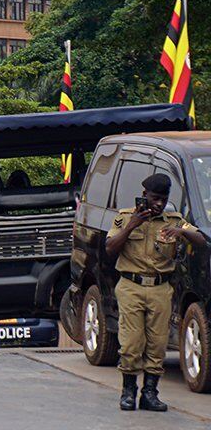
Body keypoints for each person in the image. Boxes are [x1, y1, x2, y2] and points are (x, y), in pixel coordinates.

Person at [106, 172, 206, 411]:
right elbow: (110, 248)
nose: (159, 203)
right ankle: (128, 391)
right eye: (154, 198)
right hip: (131, 286)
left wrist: (182, 233)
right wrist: (132, 225)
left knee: (158, 344)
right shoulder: (125, 217)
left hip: (160, 287)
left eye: (163, 198)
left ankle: (150, 393)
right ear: (144, 196)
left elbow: (201, 240)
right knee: (131, 344)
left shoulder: (173, 220)